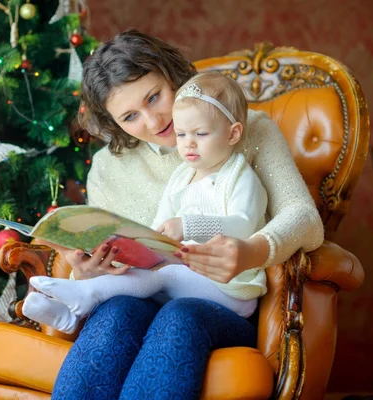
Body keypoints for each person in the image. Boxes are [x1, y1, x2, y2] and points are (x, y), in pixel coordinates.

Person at [43, 30, 324, 399]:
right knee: (115, 314)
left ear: (172, 74)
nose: (154, 120)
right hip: (140, 299)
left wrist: (253, 251)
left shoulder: (248, 130)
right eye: (130, 116)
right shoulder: (107, 169)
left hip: (223, 304)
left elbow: (305, 217)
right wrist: (89, 269)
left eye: (154, 96)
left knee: (179, 317)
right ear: (114, 124)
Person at [23, 71, 269, 334]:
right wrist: (141, 247)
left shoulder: (240, 176)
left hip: (232, 289)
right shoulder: (181, 177)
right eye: (183, 134)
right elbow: (157, 228)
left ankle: (85, 297)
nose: (188, 145)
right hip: (188, 279)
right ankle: (69, 309)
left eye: (201, 134)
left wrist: (188, 226)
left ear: (233, 135)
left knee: (165, 274)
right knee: (150, 273)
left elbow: (244, 226)